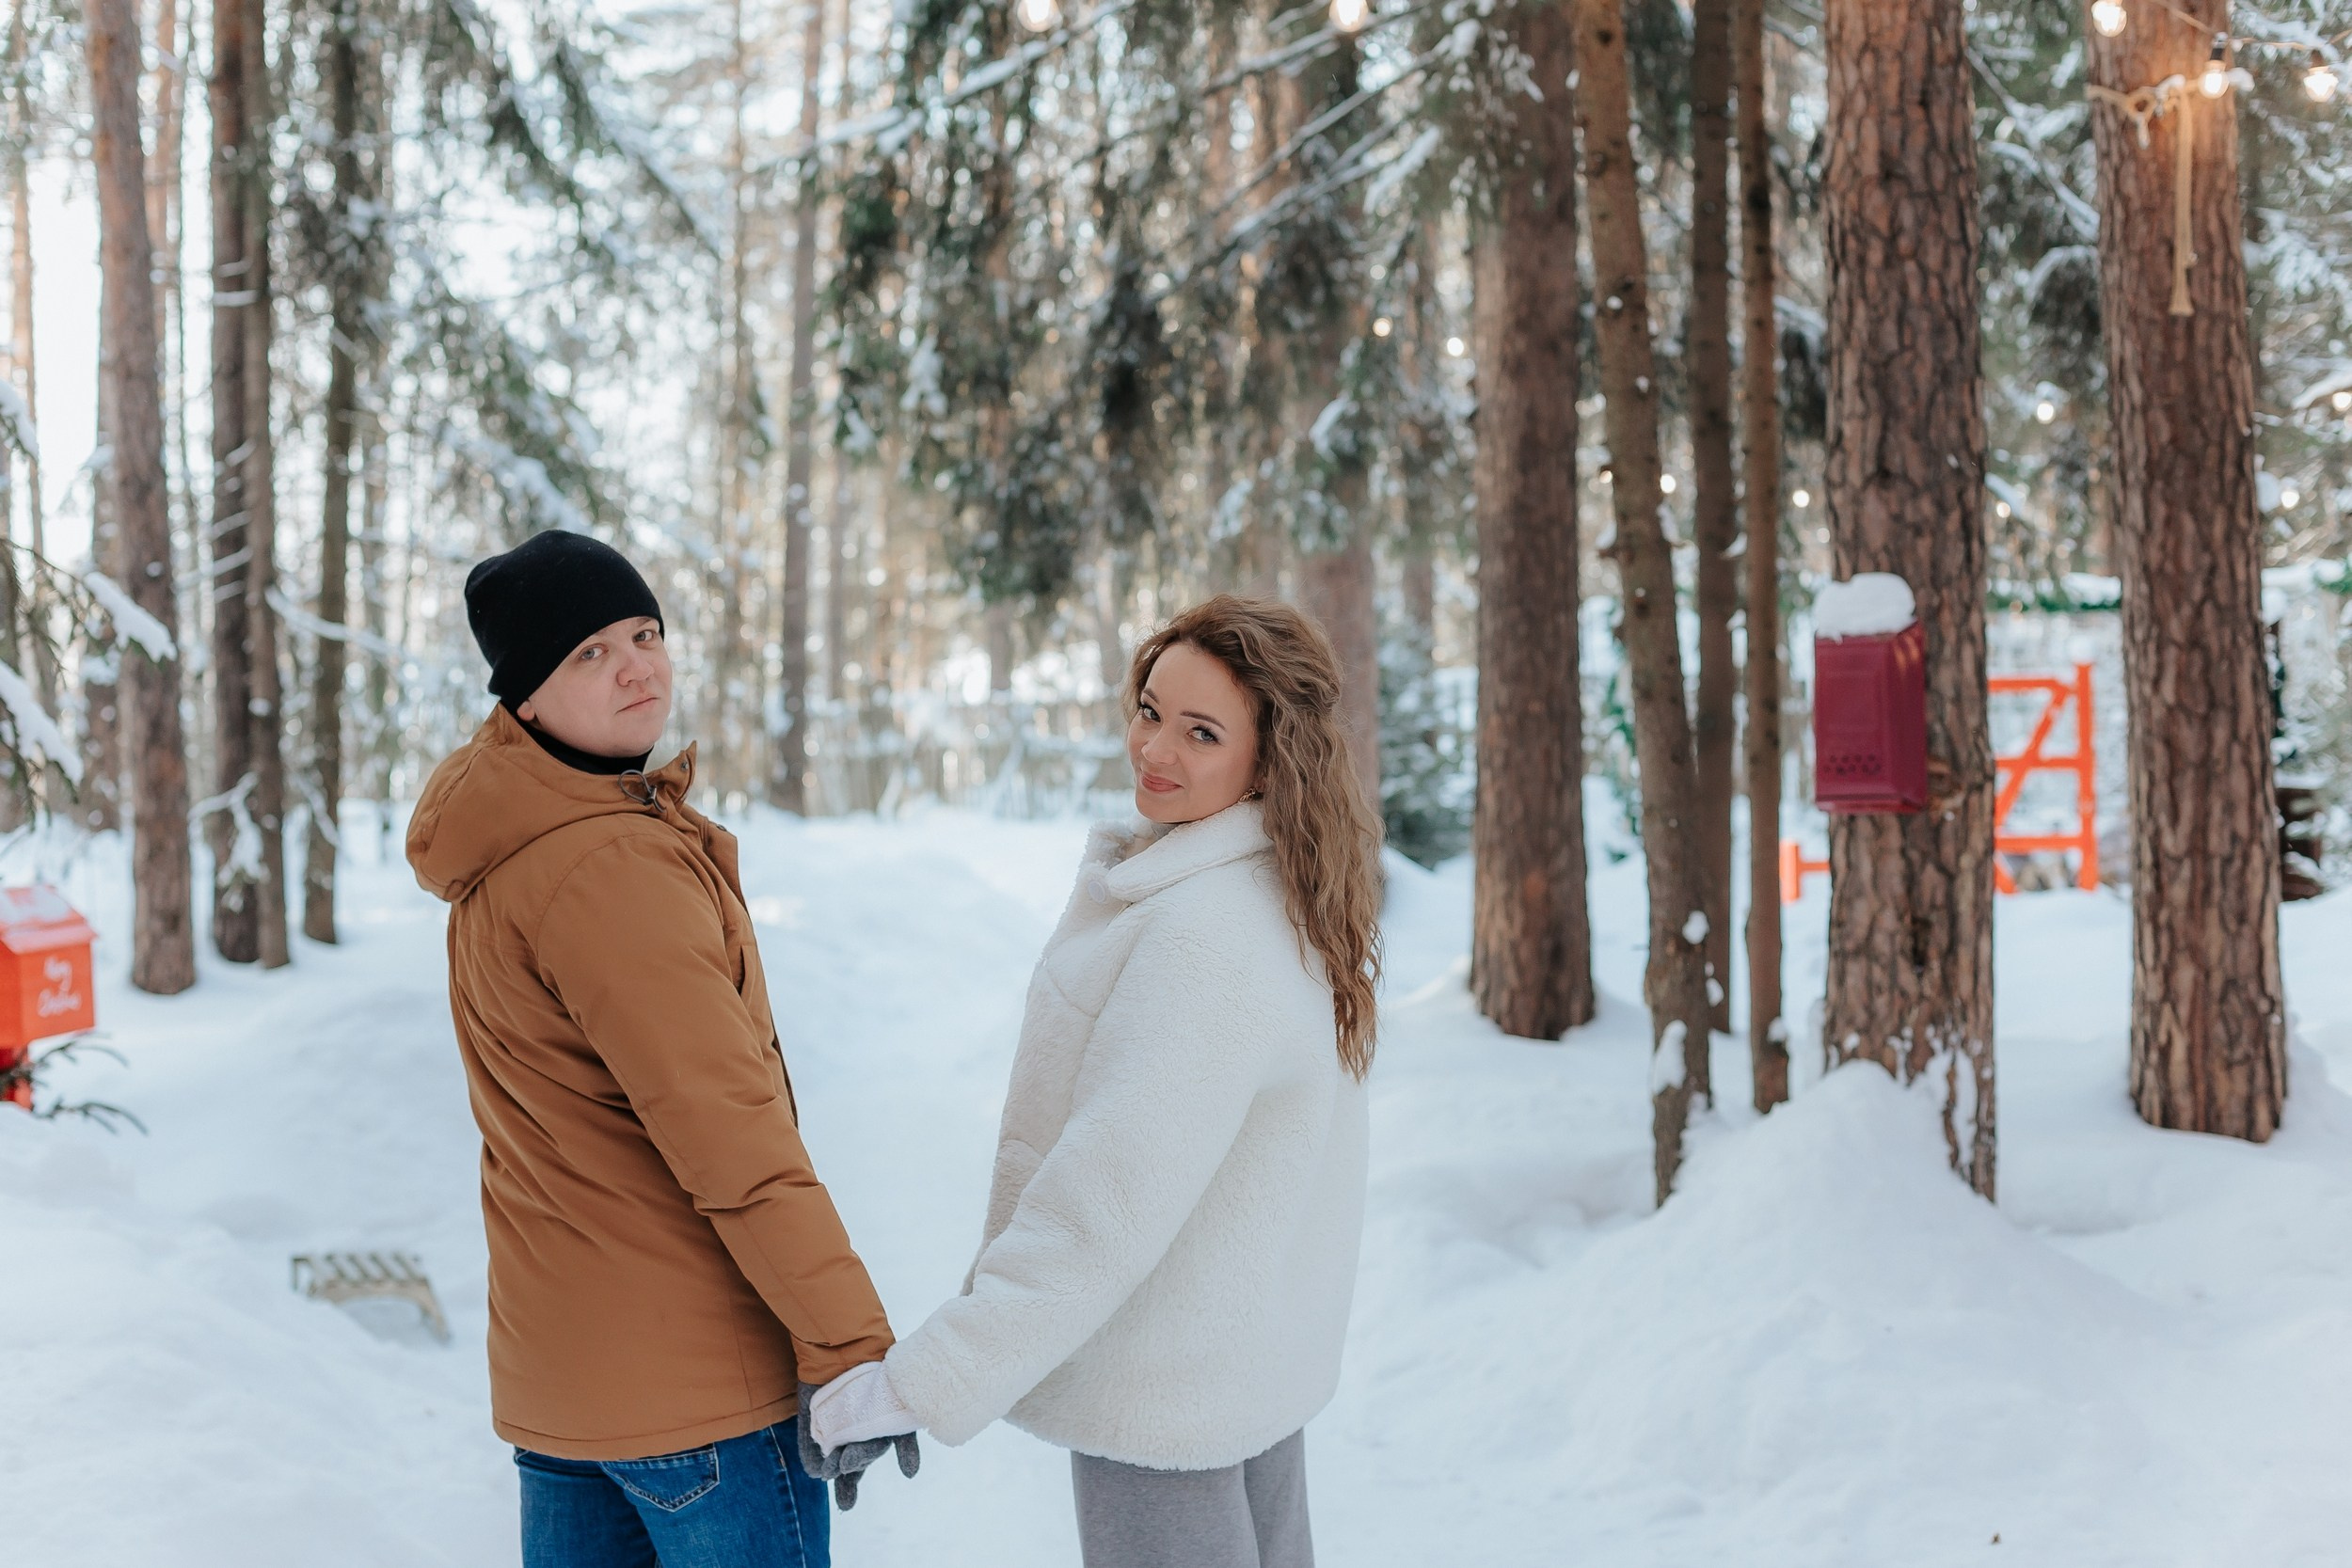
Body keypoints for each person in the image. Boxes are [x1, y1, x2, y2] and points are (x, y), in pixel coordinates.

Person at [805, 594, 1381, 1568]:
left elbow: (1104, 1197)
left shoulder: (1204, 932)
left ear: (1267, 759)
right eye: (1150, 711)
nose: (1154, 748)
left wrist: (925, 1379)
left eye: (1201, 732)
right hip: (1243, 1392)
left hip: (1163, 1409)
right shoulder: (1281, 894)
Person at [406, 530, 912, 1568]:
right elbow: (729, 1136)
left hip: (564, 1394)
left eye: (644, 633)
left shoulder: (506, 850)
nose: (637, 665)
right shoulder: (607, 867)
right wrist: (848, 1344)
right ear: (526, 699)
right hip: (701, 1399)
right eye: (589, 651)